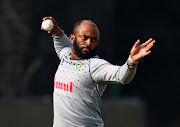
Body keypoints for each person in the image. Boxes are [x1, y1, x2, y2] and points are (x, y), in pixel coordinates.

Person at [41, 16, 155, 127]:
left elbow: (121, 76)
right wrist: (56, 31)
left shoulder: (95, 66)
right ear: (72, 39)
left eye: (94, 39)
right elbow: (62, 42)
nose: (89, 43)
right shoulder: (65, 56)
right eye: (84, 38)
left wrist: (131, 62)